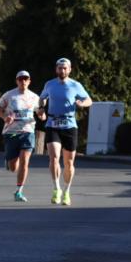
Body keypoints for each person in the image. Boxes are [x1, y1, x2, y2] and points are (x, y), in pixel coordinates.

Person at [40, 58, 92, 206]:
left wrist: (82, 103)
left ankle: (67, 191)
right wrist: (42, 105)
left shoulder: (76, 85)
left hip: (69, 125)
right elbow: (42, 98)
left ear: (69, 70)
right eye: (60, 68)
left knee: (68, 162)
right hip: (52, 123)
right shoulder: (49, 84)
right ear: (56, 69)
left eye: (65, 68)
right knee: (54, 157)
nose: (62, 70)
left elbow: (89, 100)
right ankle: (56, 188)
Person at [0, 70, 41, 202]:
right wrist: (4, 117)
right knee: (13, 167)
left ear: (29, 81)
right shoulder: (9, 95)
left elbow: (40, 111)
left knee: (25, 161)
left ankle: (19, 191)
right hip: (11, 132)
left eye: (26, 79)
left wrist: (42, 115)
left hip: (28, 131)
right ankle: (9, 161)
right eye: (20, 79)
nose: (23, 81)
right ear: (17, 81)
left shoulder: (35, 97)